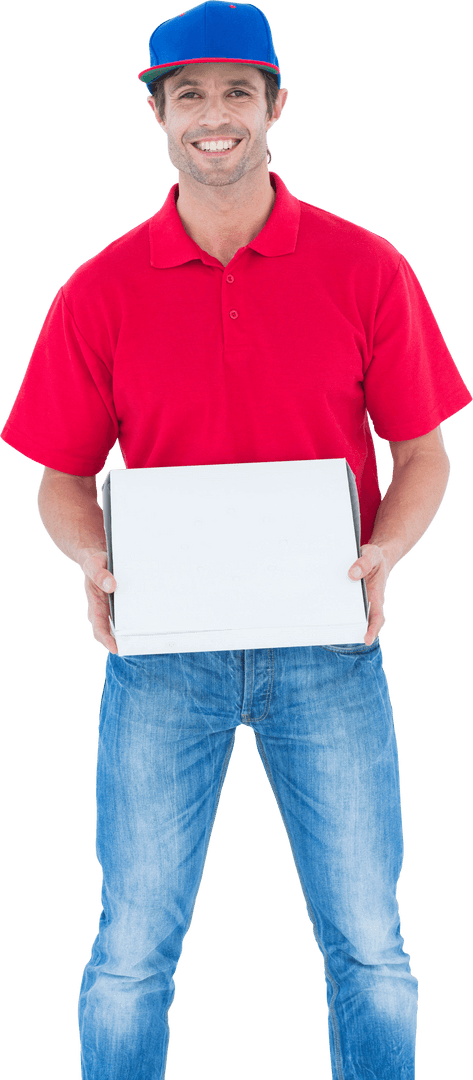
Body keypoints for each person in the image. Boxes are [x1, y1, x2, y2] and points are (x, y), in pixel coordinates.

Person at [1, 2, 471, 1077]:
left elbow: (426, 457)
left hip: (328, 649)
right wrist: (93, 560)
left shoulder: (364, 269)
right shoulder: (98, 291)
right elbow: (58, 482)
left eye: (236, 93)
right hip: (162, 655)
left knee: (370, 946)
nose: (214, 117)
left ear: (275, 106)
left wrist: (381, 552)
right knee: (128, 951)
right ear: (158, 114)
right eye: (190, 96)